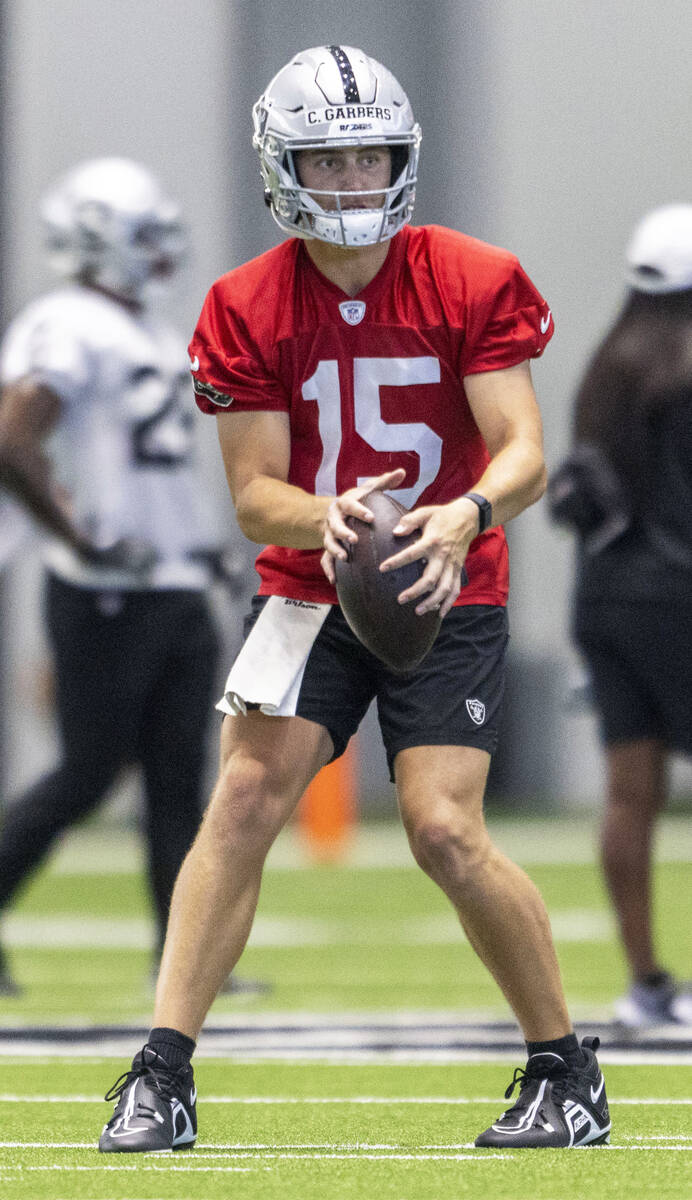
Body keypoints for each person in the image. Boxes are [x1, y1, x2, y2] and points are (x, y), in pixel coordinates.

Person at [98, 46, 610, 1153]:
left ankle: (563, 1071)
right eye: (326, 158)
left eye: (367, 151)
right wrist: (322, 516)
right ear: (284, 168)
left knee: (441, 830)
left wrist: (465, 513)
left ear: (401, 152)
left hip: (445, 576)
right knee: (240, 799)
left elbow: (521, 448)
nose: (351, 176)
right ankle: (160, 1072)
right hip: (305, 589)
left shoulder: (470, 275)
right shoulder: (244, 303)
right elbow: (252, 496)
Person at [0, 158, 259, 998]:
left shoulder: (145, 327)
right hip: (108, 592)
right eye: (142, 236)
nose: (160, 252)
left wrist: (199, 545)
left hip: (174, 587)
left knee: (179, 780)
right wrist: (81, 536)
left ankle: (181, 964)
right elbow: (13, 439)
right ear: (97, 240)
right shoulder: (64, 323)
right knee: (87, 773)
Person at [549, 203, 692, 1030]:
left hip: (605, 603)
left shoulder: (606, 369)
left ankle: (646, 984)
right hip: (681, 599)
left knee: (628, 795)